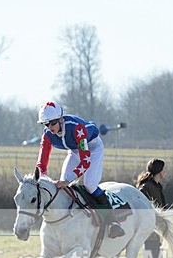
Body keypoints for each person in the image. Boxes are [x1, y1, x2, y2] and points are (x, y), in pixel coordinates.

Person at [33, 101, 125, 238]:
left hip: (92, 149)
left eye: (52, 123)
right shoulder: (47, 134)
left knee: (89, 184)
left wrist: (68, 179)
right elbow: (42, 160)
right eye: (46, 124)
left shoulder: (77, 128)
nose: (49, 127)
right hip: (74, 151)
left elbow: (86, 161)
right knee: (63, 187)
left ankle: (113, 222)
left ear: (60, 119)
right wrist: (41, 177)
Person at [136, 158, 167, 258]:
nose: (165, 172)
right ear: (159, 171)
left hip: (158, 228)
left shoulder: (156, 186)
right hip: (150, 229)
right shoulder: (146, 187)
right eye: (163, 169)